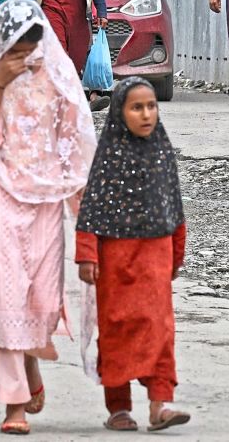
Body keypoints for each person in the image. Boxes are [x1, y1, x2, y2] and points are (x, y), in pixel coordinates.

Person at [0, 0, 96, 436]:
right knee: (5, 296)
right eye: (14, 48)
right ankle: (13, 403)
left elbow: (75, 137)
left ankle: (32, 359)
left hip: (46, 195)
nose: (23, 57)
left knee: (43, 299)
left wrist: (83, 207)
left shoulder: (55, 68)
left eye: (30, 47)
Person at [76, 77, 190, 432]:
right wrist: (87, 256)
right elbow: (91, 210)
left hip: (155, 259)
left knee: (160, 330)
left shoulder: (161, 151)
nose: (146, 114)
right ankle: (119, 407)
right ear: (120, 114)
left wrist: (176, 253)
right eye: (136, 107)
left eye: (151, 106)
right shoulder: (108, 156)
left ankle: (159, 405)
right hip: (115, 263)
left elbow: (174, 207)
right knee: (116, 331)